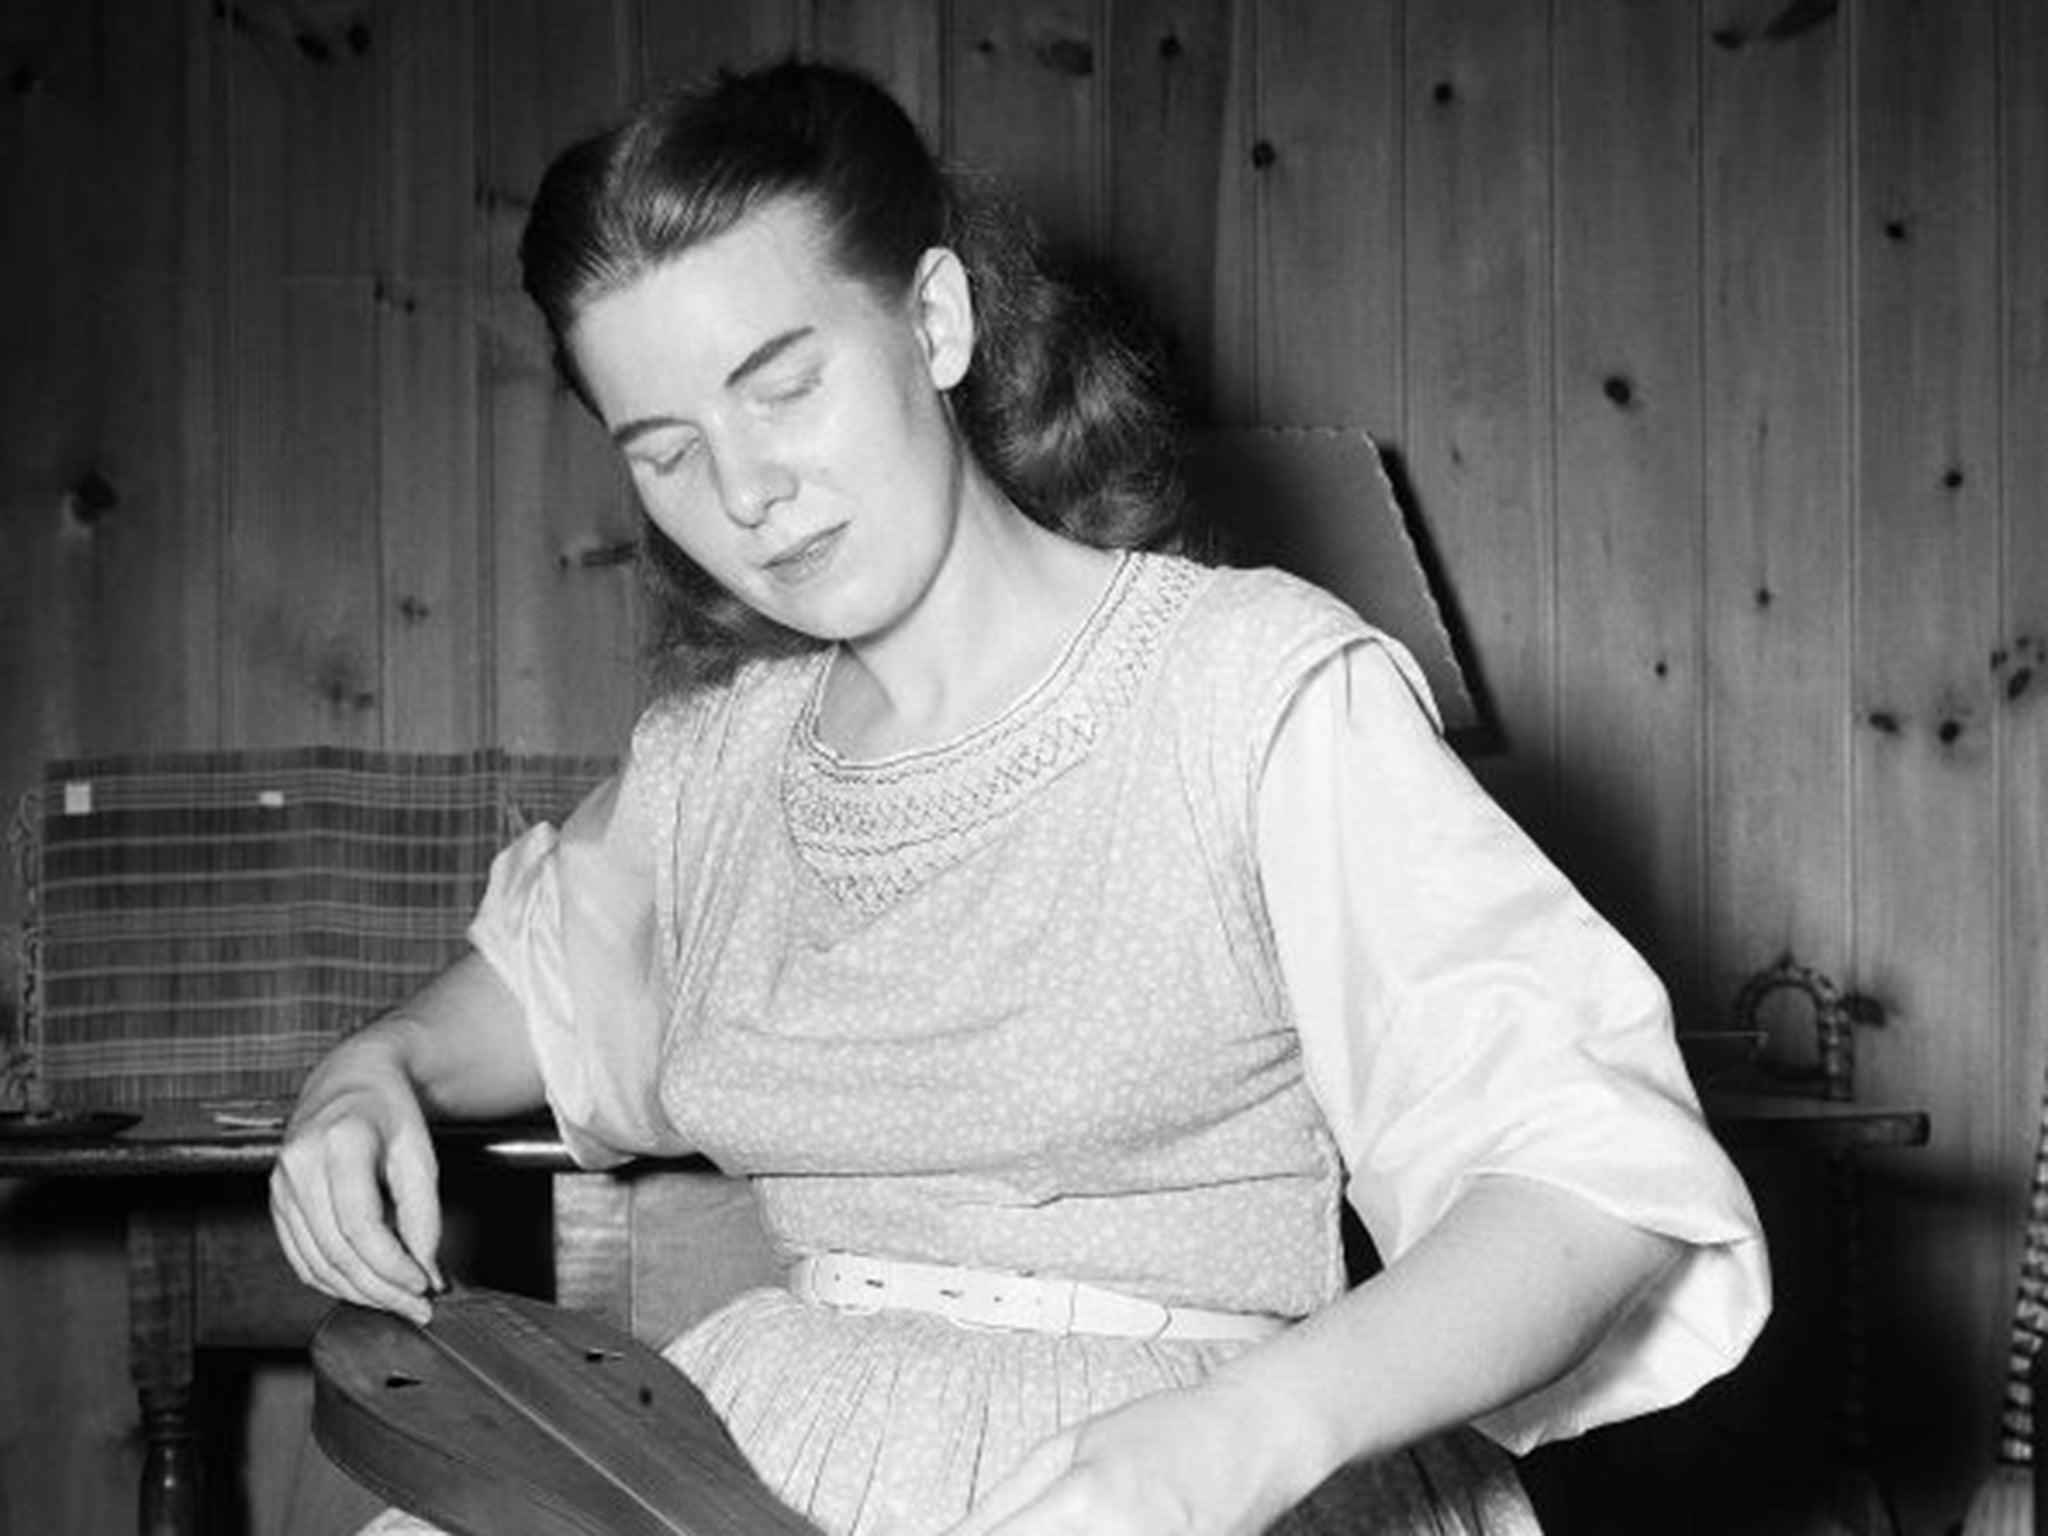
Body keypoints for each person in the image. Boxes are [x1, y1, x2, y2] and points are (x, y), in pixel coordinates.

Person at [271, 58, 1769, 1536]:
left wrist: (1248, 1435)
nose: (746, 493)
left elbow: (1591, 1183)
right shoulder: (721, 761)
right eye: (665, 453)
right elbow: (545, 990)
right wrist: (375, 1068)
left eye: (785, 387)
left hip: (1195, 1468)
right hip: (766, 1452)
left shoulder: (1245, 689)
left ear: (935, 319)